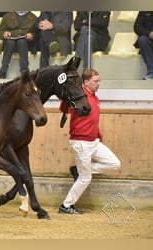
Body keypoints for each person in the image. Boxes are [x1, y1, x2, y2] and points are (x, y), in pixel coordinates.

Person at [58, 68, 121, 214]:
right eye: (95, 81)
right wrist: (64, 97)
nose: (98, 84)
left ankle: (78, 170)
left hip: (94, 142)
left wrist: (99, 135)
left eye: (99, 81)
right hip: (80, 143)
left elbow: (93, 120)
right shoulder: (78, 97)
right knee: (85, 178)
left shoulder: (95, 98)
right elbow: (64, 109)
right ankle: (66, 206)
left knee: (114, 163)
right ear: (86, 82)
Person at [0, 11, 37, 79]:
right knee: (10, 42)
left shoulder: (33, 17)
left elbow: (36, 33)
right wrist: (4, 34)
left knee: (21, 42)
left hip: (26, 43)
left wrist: (32, 35)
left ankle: (24, 71)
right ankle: (3, 71)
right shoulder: (7, 16)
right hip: (10, 42)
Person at [133, 11, 153, 80]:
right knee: (142, 40)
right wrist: (149, 34)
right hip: (149, 39)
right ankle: (151, 71)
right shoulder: (144, 10)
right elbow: (137, 27)